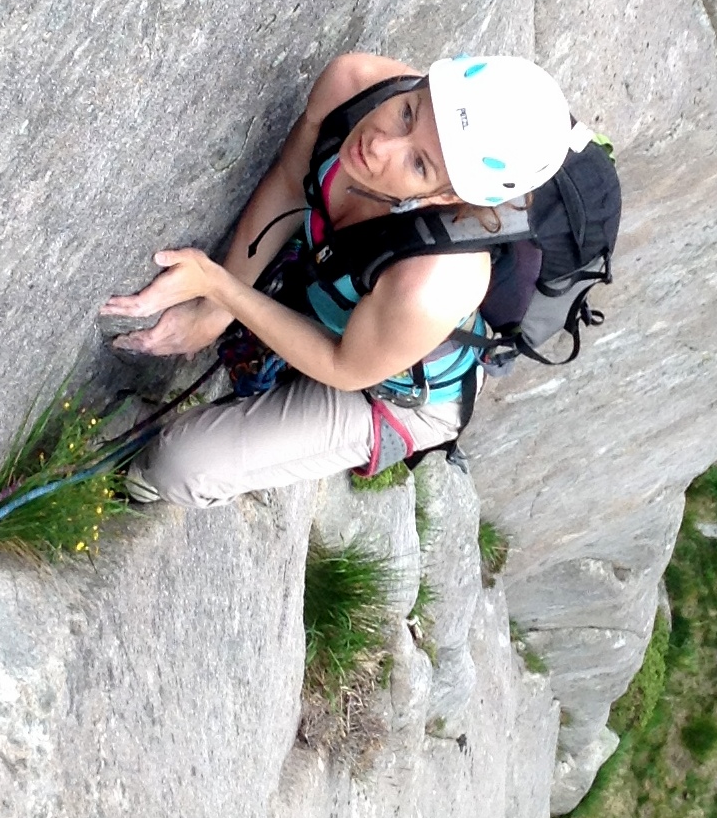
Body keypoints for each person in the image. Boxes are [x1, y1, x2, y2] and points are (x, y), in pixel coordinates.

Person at [99, 52, 573, 507]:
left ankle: (135, 486)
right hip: (353, 298)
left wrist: (220, 287)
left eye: (419, 164)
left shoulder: (433, 284)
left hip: (393, 388)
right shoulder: (354, 85)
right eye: (408, 113)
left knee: (180, 465)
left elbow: (343, 366)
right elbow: (293, 181)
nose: (380, 145)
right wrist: (213, 313)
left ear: (447, 197)